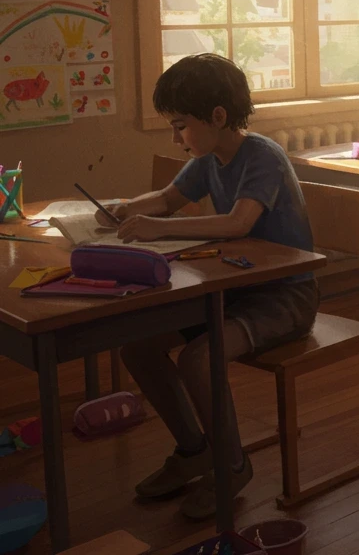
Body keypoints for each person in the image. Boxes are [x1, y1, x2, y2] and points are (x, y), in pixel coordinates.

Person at [110, 53, 318, 520]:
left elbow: (238, 222)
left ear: (217, 117)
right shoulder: (209, 159)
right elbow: (166, 200)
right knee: (138, 347)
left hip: (285, 296)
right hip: (234, 289)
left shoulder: (262, 155)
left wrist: (157, 228)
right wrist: (124, 209)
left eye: (181, 125)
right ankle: (193, 451)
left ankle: (231, 465)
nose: (176, 137)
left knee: (200, 358)